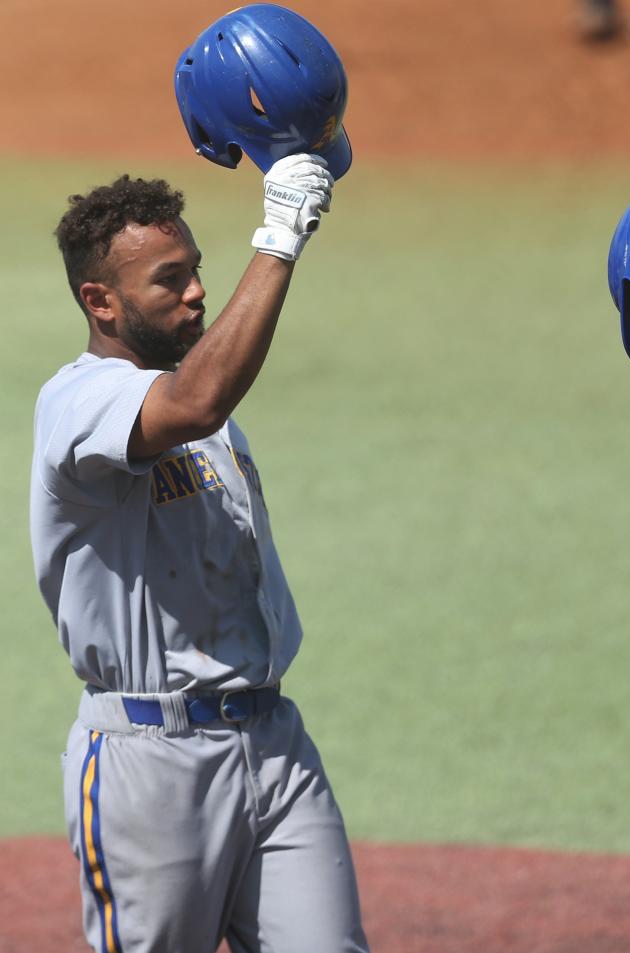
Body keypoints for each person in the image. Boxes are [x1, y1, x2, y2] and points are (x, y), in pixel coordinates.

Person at [29, 156, 370, 953]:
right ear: (100, 301)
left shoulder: (196, 410)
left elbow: (200, 400)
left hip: (272, 741)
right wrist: (280, 235)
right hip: (152, 763)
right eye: (169, 279)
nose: (196, 293)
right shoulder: (77, 403)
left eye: (196, 271)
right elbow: (196, 400)